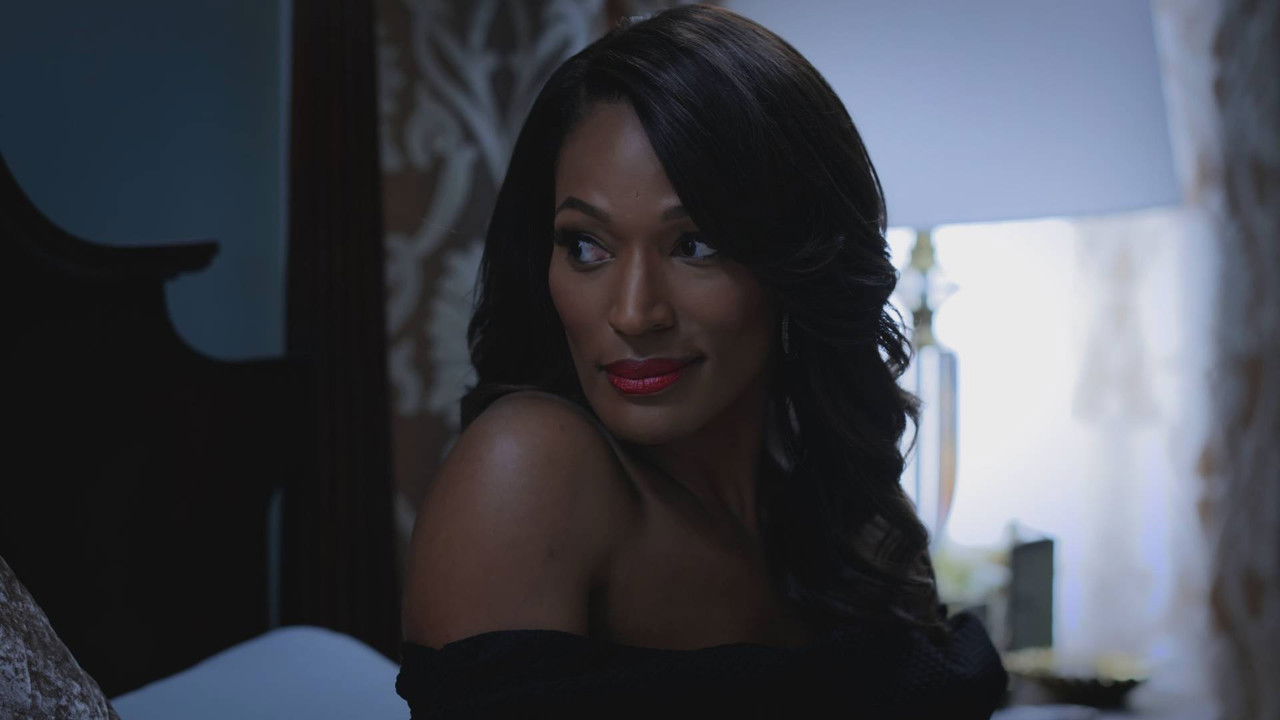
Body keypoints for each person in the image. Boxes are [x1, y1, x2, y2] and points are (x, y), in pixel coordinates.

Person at [397, 4, 1007, 716]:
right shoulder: (530, 466)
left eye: (695, 245)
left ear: (797, 261)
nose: (634, 312)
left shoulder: (848, 519)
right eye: (587, 246)